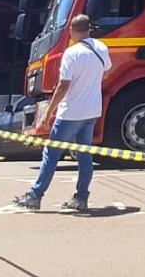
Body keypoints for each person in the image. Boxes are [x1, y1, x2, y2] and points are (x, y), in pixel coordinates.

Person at [13, 14, 111, 214]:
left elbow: (62, 86)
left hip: (71, 112)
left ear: (74, 31)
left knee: (52, 153)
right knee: (84, 155)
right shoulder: (101, 48)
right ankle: (81, 198)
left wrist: (49, 111)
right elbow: (106, 71)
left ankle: (35, 195)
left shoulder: (72, 53)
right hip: (92, 110)